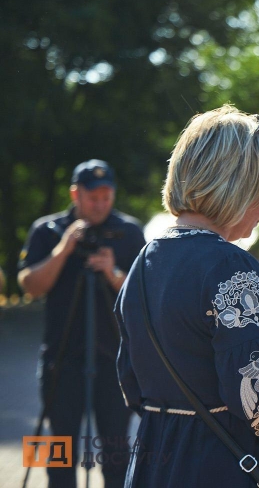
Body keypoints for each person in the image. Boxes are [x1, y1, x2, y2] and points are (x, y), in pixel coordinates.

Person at [114, 106, 259, 487]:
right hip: (221, 466)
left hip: (155, 461)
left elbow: (131, 384)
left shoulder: (144, 261)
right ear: (235, 187)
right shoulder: (229, 266)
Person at [17, 159, 146, 488]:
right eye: (93, 197)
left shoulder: (129, 231)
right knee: (58, 456)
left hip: (114, 361)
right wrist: (64, 249)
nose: (100, 204)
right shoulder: (48, 230)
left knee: (116, 455)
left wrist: (112, 272)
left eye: (106, 196)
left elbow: (144, 295)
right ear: (75, 194)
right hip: (60, 360)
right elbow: (30, 286)